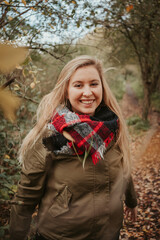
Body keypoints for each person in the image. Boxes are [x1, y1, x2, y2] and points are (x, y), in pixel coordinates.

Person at [10, 55, 137, 240]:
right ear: (66, 91)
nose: (88, 92)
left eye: (94, 84)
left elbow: (124, 168)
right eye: (78, 85)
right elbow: (25, 199)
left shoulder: (112, 128)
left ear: (102, 87)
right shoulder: (51, 137)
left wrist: (132, 201)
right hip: (60, 235)